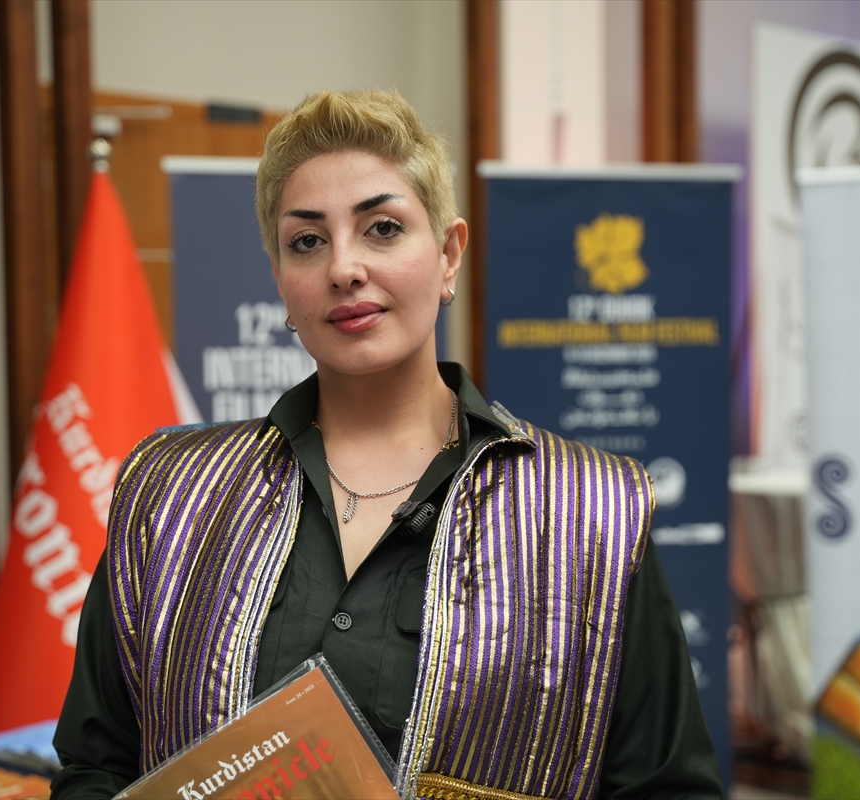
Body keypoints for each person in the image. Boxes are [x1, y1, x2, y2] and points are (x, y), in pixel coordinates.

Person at [51, 88, 722, 800]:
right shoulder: (170, 496)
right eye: (307, 241)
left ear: (449, 255)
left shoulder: (590, 513)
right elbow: (97, 767)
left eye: (382, 228)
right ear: (281, 279)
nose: (344, 267)